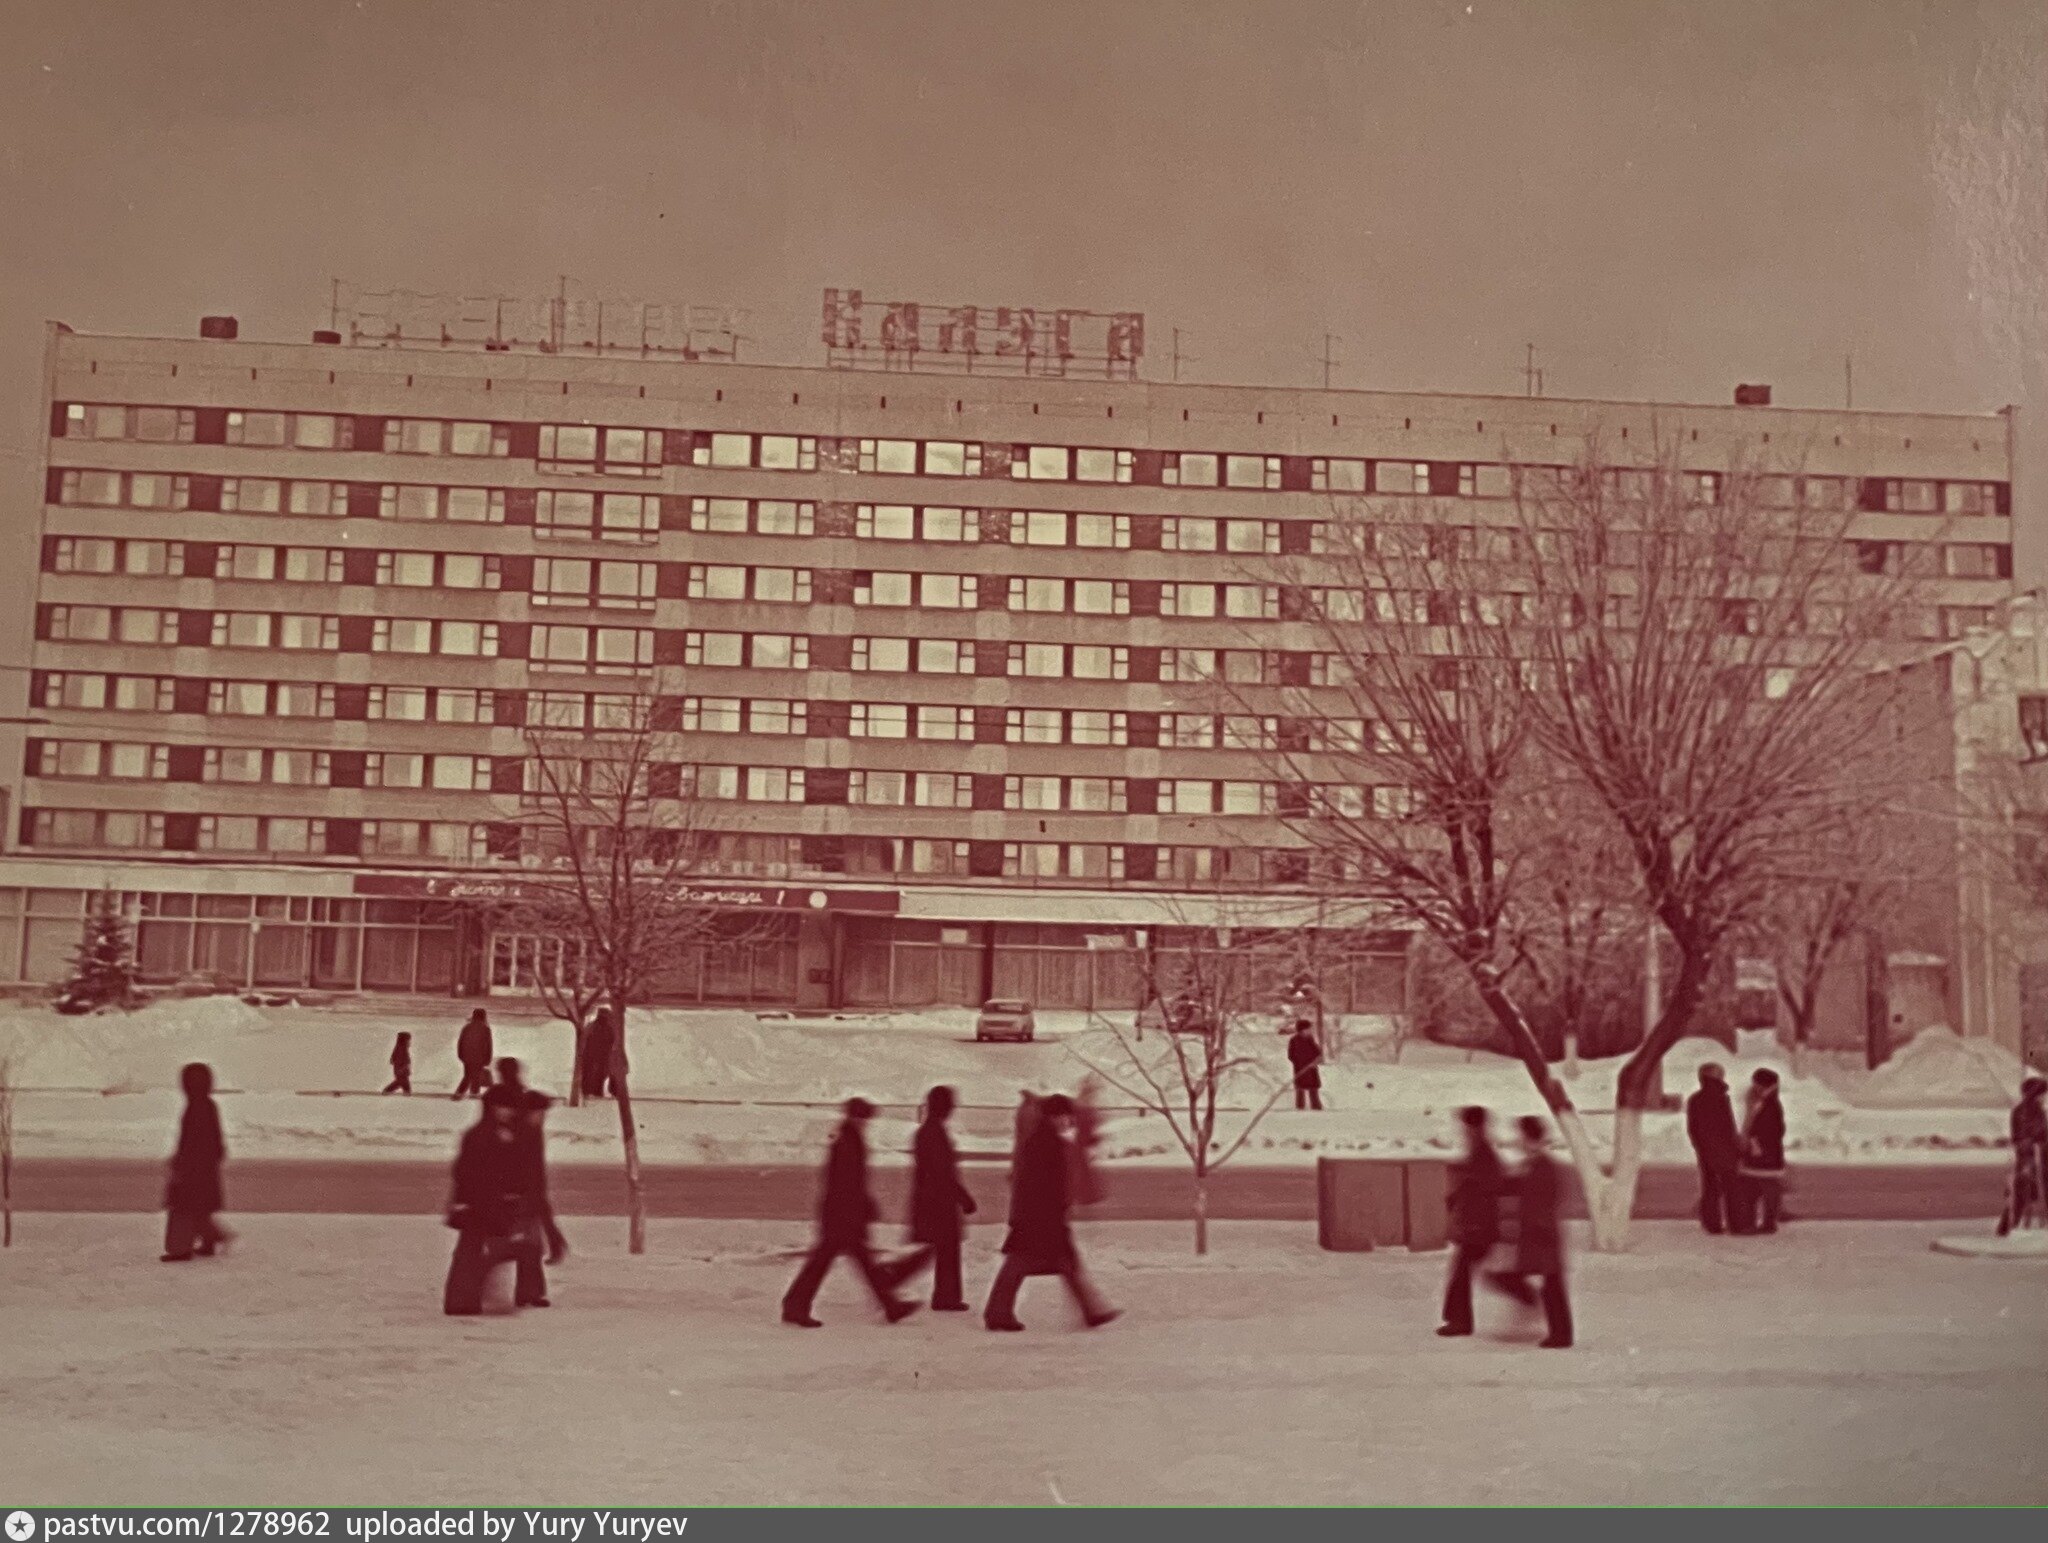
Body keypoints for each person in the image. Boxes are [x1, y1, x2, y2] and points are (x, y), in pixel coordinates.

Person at [983, 1093, 1119, 1332]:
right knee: (1030, 1262)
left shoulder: (1039, 1140)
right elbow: (1044, 1184)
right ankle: (997, 1313)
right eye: (1065, 1116)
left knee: (1057, 1262)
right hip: (1040, 1217)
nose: (1068, 1121)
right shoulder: (1047, 1144)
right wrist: (1056, 1208)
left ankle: (1091, 1311)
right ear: (1055, 1116)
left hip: (1035, 1215)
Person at [781, 1098, 918, 1327]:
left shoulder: (848, 1137)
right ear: (857, 1117)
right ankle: (795, 1305)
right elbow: (846, 1181)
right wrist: (860, 1207)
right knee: (829, 1262)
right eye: (864, 1119)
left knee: (848, 1261)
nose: (866, 1123)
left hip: (842, 1213)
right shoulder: (847, 1140)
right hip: (842, 1214)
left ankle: (890, 1305)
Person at [1486, 1115, 1573, 1349]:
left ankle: (1560, 1334)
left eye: (1521, 1136)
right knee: (1549, 1283)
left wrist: (1535, 1228)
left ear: (1528, 1137)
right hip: (1536, 1234)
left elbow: (1544, 1201)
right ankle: (1558, 1332)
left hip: (1541, 1235)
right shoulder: (1533, 1164)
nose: (1519, 1140)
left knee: (1551, 1284)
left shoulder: (1543, 1166)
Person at [889, 1085, 978, 1310]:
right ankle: (942, 1296)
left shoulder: (927, 1132)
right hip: (938, 1202)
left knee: (934, 1249)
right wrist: (963, 1197)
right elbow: (942, 1173)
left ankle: (943, 1295)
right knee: (943, 1249)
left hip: (931, 1201)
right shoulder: (934, 1133)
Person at [443, 1084, 526, 1316]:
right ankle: (462, 1301)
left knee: (476, 1251)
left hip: (488, 1202)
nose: (509, 1112)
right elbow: (465, 1170)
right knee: (473, 1251)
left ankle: (467, 1299)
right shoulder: (482, 1134)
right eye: (504, 1107)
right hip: (479, 1204)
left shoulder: (501, 1133)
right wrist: (463, 1200)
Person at [1437, 1106, 1503, 1337]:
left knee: (1461, 1274)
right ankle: (1458, 1320)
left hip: (1478, 1228)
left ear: (1474, 1127)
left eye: (1466, 1127)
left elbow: (1483, 1191)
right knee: (1461, 1274)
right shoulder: (1479, 1152)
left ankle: (1460, 1322)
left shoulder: (1483, 1154)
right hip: (1475, 1226)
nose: (1464, 1131)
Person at [162, 1062, 233, 1263]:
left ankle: (182, 1248)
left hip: (194, 1166)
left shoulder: (196, 1107)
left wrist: (182, 1162)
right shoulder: (207, 1105)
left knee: (185, 1205)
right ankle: (210, 1239)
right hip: (204, 1166)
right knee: (198, 1206)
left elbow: (192, 1140)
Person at [1685, 1063, 1743, 1235]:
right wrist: (1735, 1148)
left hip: (1705, 1150)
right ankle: (1736, 1224)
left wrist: (1699, 1146)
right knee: (1732, 1187)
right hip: (1725, 1149)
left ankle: (1712, 1224)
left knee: (1710, 1187)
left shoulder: (1695, 1100)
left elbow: (1693, 1128)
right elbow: (1728, 1127)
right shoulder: (1721, 1098)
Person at [1737, 1068, 1788, 1235]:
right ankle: (1765, 1222)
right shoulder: (1767, 1101)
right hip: (1765, 1154)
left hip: (1761, 1154)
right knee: (1763, 1188)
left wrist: (1754, 1142)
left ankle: (1760, 1223)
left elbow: (1770, 1129)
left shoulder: (1768, 1104)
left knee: (1756, 1188)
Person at [1998, 1076, 2047, 1236]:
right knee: (2021, 1192)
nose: (2043, 1098)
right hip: (2027, 1159)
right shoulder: (2021, 1111)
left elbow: (2043, 1134)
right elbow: (2020, 1138)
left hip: (2041, 1158)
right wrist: (2033, 1142)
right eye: (2041, 1094)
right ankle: (2008, 1226)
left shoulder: (2039, 1111)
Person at [452, 1009, 493, 1100]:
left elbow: (461, 1042)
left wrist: (460, 1054)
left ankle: (470, 1092)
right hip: (479, 1056)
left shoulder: (467, 1027)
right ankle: (465, 1092)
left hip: (467, 1056)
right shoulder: (485, 1028)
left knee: (469, 1074)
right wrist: (488, 1058)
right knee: (475, 1075)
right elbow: (488, 1045)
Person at [1288, 1021, 1324, 1112]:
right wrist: (1300, 1062)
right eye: (1308, 1029)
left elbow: (1317, 1052)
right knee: (1300, 1087)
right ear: (1302, 1030)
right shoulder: (1294, 1040)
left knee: (1313, 1087)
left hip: (1312, 1068)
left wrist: (1316, 1060)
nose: (1310, 1030)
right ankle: (1300, 1107)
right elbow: (1291, 1055)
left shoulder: (1310, 1039)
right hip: (1300, 1068)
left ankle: (1316, 1106)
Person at [583, 1009, 617, 1101]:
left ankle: (593, 1093)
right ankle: (594, 1093)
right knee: (599, 1074)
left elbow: (584, 1040)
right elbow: (614, 1040)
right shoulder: (609, 1027)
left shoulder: (592, 1026)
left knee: (597, 1074)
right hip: (600, 1055)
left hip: (596, 1055)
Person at [382, 1032, 413, 1096]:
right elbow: (403, 1060)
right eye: (408, 1040)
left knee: (401, 1083)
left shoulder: (400, 1048)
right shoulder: (402, 1048)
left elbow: (393, 1060)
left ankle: (387, 1091)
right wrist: (403, 1068)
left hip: (401, 1070)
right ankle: (387, 1091)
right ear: (404, 1040)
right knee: (401, 1082)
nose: (409, 1042)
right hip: (401, 1070)